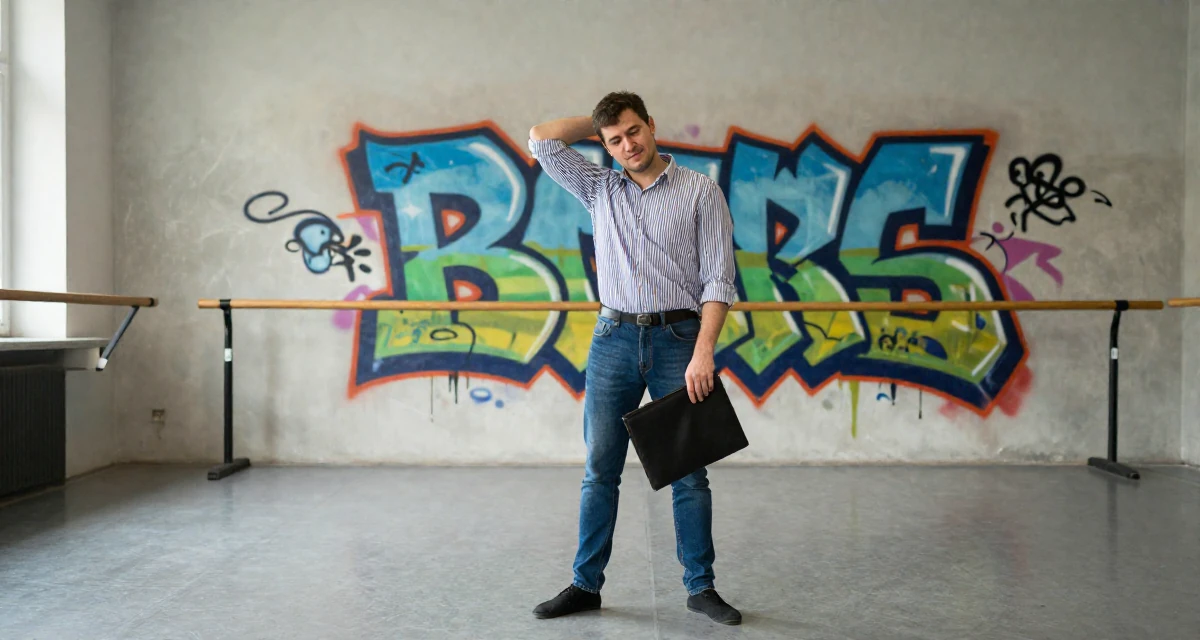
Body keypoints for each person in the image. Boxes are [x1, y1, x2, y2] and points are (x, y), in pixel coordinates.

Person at [526, 91, 742, 626]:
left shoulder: (700, 191)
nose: (628, 145)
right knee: (600, 469)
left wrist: (703, 352)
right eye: (615, 139)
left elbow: (719, 279)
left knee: (689, 473)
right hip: (613, 340)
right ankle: (585, 584)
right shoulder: (600, 188)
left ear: (652, 124)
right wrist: (597, 125)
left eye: (633, 131)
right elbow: (541, 139)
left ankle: (701, 587)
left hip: (679, 342)